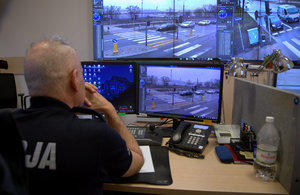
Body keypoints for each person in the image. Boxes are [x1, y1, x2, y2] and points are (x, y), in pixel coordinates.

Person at [12, 37, 144, 195]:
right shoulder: (96, 134)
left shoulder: (5, 125)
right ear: (75, 79)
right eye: (81, 74)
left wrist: (71, 106)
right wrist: (110, 111)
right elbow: (136, 162)